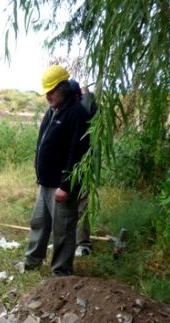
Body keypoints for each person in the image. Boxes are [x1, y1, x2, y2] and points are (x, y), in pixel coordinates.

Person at [22, 65, 90, 276]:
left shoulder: (76, 113)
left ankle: (61, 272)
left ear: (64, 88)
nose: (48, 96)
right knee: (39, 223)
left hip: (60, 187)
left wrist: (66, 186)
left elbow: (77, 153)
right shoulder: (53, 111)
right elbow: (43, 142)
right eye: (46, 92)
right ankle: (32, 262)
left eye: (51, 91)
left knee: (63, 230)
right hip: (45, 183)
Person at [67, 79, 98, 257]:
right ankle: (71, 241)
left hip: (84, 164)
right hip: (68, 167)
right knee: (69, 205)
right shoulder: (68, 111)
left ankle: (83, 243)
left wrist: (88, 95)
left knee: (82, 203)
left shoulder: (84, 110)